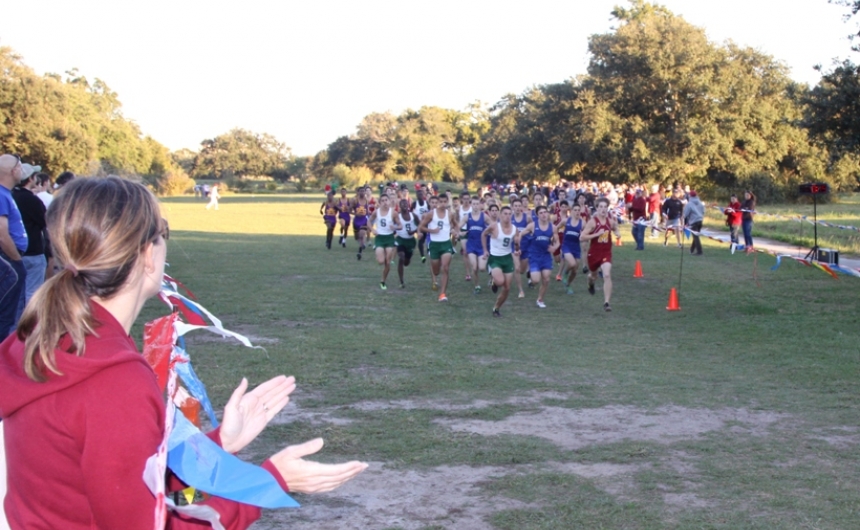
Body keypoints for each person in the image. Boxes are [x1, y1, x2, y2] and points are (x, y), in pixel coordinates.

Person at [0, 176, 367, 529]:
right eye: (163, 233)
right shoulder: (112, 379)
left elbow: (119, 470)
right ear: (147, 255)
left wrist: (222, 441)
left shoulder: (46, 339)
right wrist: (270, 482)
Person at [12, 166, 48, 313]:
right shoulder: (32, 200)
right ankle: (29, 326)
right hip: (33, 251)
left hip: (13, 251)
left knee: (16, 294)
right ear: (31, 179)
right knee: (32, 293)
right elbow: (45, 222)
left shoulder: (11, 195)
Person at [0, 155, 28, 338]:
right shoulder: (1, 195)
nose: (22, 170)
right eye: (19, 166)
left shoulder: (6, 194)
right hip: (9, 259)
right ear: (13, 171)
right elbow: (2, 232)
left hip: (10, 258)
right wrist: (16, 259)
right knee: (6, 315)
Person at [581, 197, 621, 312]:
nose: (603, 209)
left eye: (605, 207)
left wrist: (618, 234)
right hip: (594, 253)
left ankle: (606, 303)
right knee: (593, 276)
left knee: (607, 275)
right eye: (601, 207)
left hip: (606, 252)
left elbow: (615, 228)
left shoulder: (610, 221)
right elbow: (582, 237)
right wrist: (596, 234)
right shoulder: (592, 222)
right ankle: (590, 283)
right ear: (597, 208)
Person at [517, 205, 559, 309]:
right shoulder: (532, 226)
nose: (544, 214)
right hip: (534, 255)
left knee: (546, 279)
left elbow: (557, 241)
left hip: (546, 256)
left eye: (545, 212)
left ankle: (540, 299)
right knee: (535, 280)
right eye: (541, 213)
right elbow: (521, 234)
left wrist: (554, 247)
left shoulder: (552, 227)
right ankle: (530, 273)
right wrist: (518, 246)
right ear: (537, 215)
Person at [418, 193, 457, 302]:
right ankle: (436, 272)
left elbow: (456, 225)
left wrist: (456, 232)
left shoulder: (450, 214)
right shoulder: (431, 214)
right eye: (441, 202)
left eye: (445, 202)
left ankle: (442, 294)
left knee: (445, 267)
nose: (443, 204)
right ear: (438, 202)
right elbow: (421, 226)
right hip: (434, 244)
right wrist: (431, 231)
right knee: (436, 271)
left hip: (446, 244)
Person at [482, 206, 517, 317]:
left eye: (509, 214)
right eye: (505, 214)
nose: (507, 216)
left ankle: (496, 308)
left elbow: (517, 242)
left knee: (507, 288)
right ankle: (493, 280)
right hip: (495, 258)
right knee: (500, 282)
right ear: (500, 215)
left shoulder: (514, 229)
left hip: (507, 259)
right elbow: (483, 234)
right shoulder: (494, 226)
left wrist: (517, 249)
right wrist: (485, 250)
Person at [368, 194, 401, 290]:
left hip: (390, 238)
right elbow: (369, 221)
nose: (385, 202)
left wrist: (394, 227)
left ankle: (383, 281)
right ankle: (378, 254)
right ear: (379, 202)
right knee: (381, 261)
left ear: (389, 201)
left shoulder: (393, 213)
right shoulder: (376, 212)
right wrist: (372, 230)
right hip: (379, 238)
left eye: (386, 200)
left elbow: (400, 226)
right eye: (382, 200)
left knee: (387, 262)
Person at [460, 197, 488, 294]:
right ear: (471, 205)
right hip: (471, 246)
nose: (475, 206)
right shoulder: (467, 217)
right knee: (474, 267)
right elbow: (458, 227)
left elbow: (494, 226)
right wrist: (460, 233)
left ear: (480, 205)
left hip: (481, 246)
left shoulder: (484, 216)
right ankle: (477, 286)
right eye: (474, 204)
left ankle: (491, 269)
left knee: (482, 268)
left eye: (477, 204)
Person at [558, 203, 585, 294]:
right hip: (566, 246)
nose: (577, 212)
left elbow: (586, 233)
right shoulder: (566, 221)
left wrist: (583, 235)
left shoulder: (582, 223)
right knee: (572, 263)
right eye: (575, 210)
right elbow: (556, 228)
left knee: (575, 270)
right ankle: (564, 274)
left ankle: (568, 285)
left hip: (576, 247)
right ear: (572, 211)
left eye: (579, 210)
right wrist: (553, 238)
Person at [394, 199, 419, 288]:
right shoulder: (397, 216)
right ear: (399, 206)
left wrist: (414, 231)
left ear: (408, 205)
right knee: (401, 257)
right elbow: (392, 226)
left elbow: (420, 226)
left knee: (406, 262)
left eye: (406, 204)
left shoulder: (413, 216)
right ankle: (401, 281)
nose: (404, 205)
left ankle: (407, 258)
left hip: (411, 241)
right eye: (402, 204)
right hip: (400, 239)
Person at [412, 188, 431, 263]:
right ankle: (422, 256)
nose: (420, 195)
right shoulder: (414, 204)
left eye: (421, 194)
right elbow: (410, 212)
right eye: (418, 194)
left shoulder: (427, 203)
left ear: (423, 195)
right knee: (420, 240)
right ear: (416, 196)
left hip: (427, 224)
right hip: (419, 224)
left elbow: (430, 212)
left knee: (428, 238)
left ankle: (429, 249)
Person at [683, 190, 705, 255]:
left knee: (695, 237)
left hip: (693, 221)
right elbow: (703, 211)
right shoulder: (700, 203)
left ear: (690, 196)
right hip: (700, 220)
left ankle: (699, 251)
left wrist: (684, 220)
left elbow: (685, 214)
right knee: (696, 235)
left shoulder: (689, 204)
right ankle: (691, 249)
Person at [352, 188, 370, 260]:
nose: (362, 192)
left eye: (363, 191)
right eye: (361, 191)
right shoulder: (355, 201)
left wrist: (369, 219)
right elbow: (349, 210)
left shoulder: (366, 201)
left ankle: (360, 251)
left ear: (365, 192)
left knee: (362, 234)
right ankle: (361, 244)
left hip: (364, 220)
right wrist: (356, 214)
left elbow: (367, 211)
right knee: (357, 237)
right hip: (356, 221)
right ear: (358, 192)